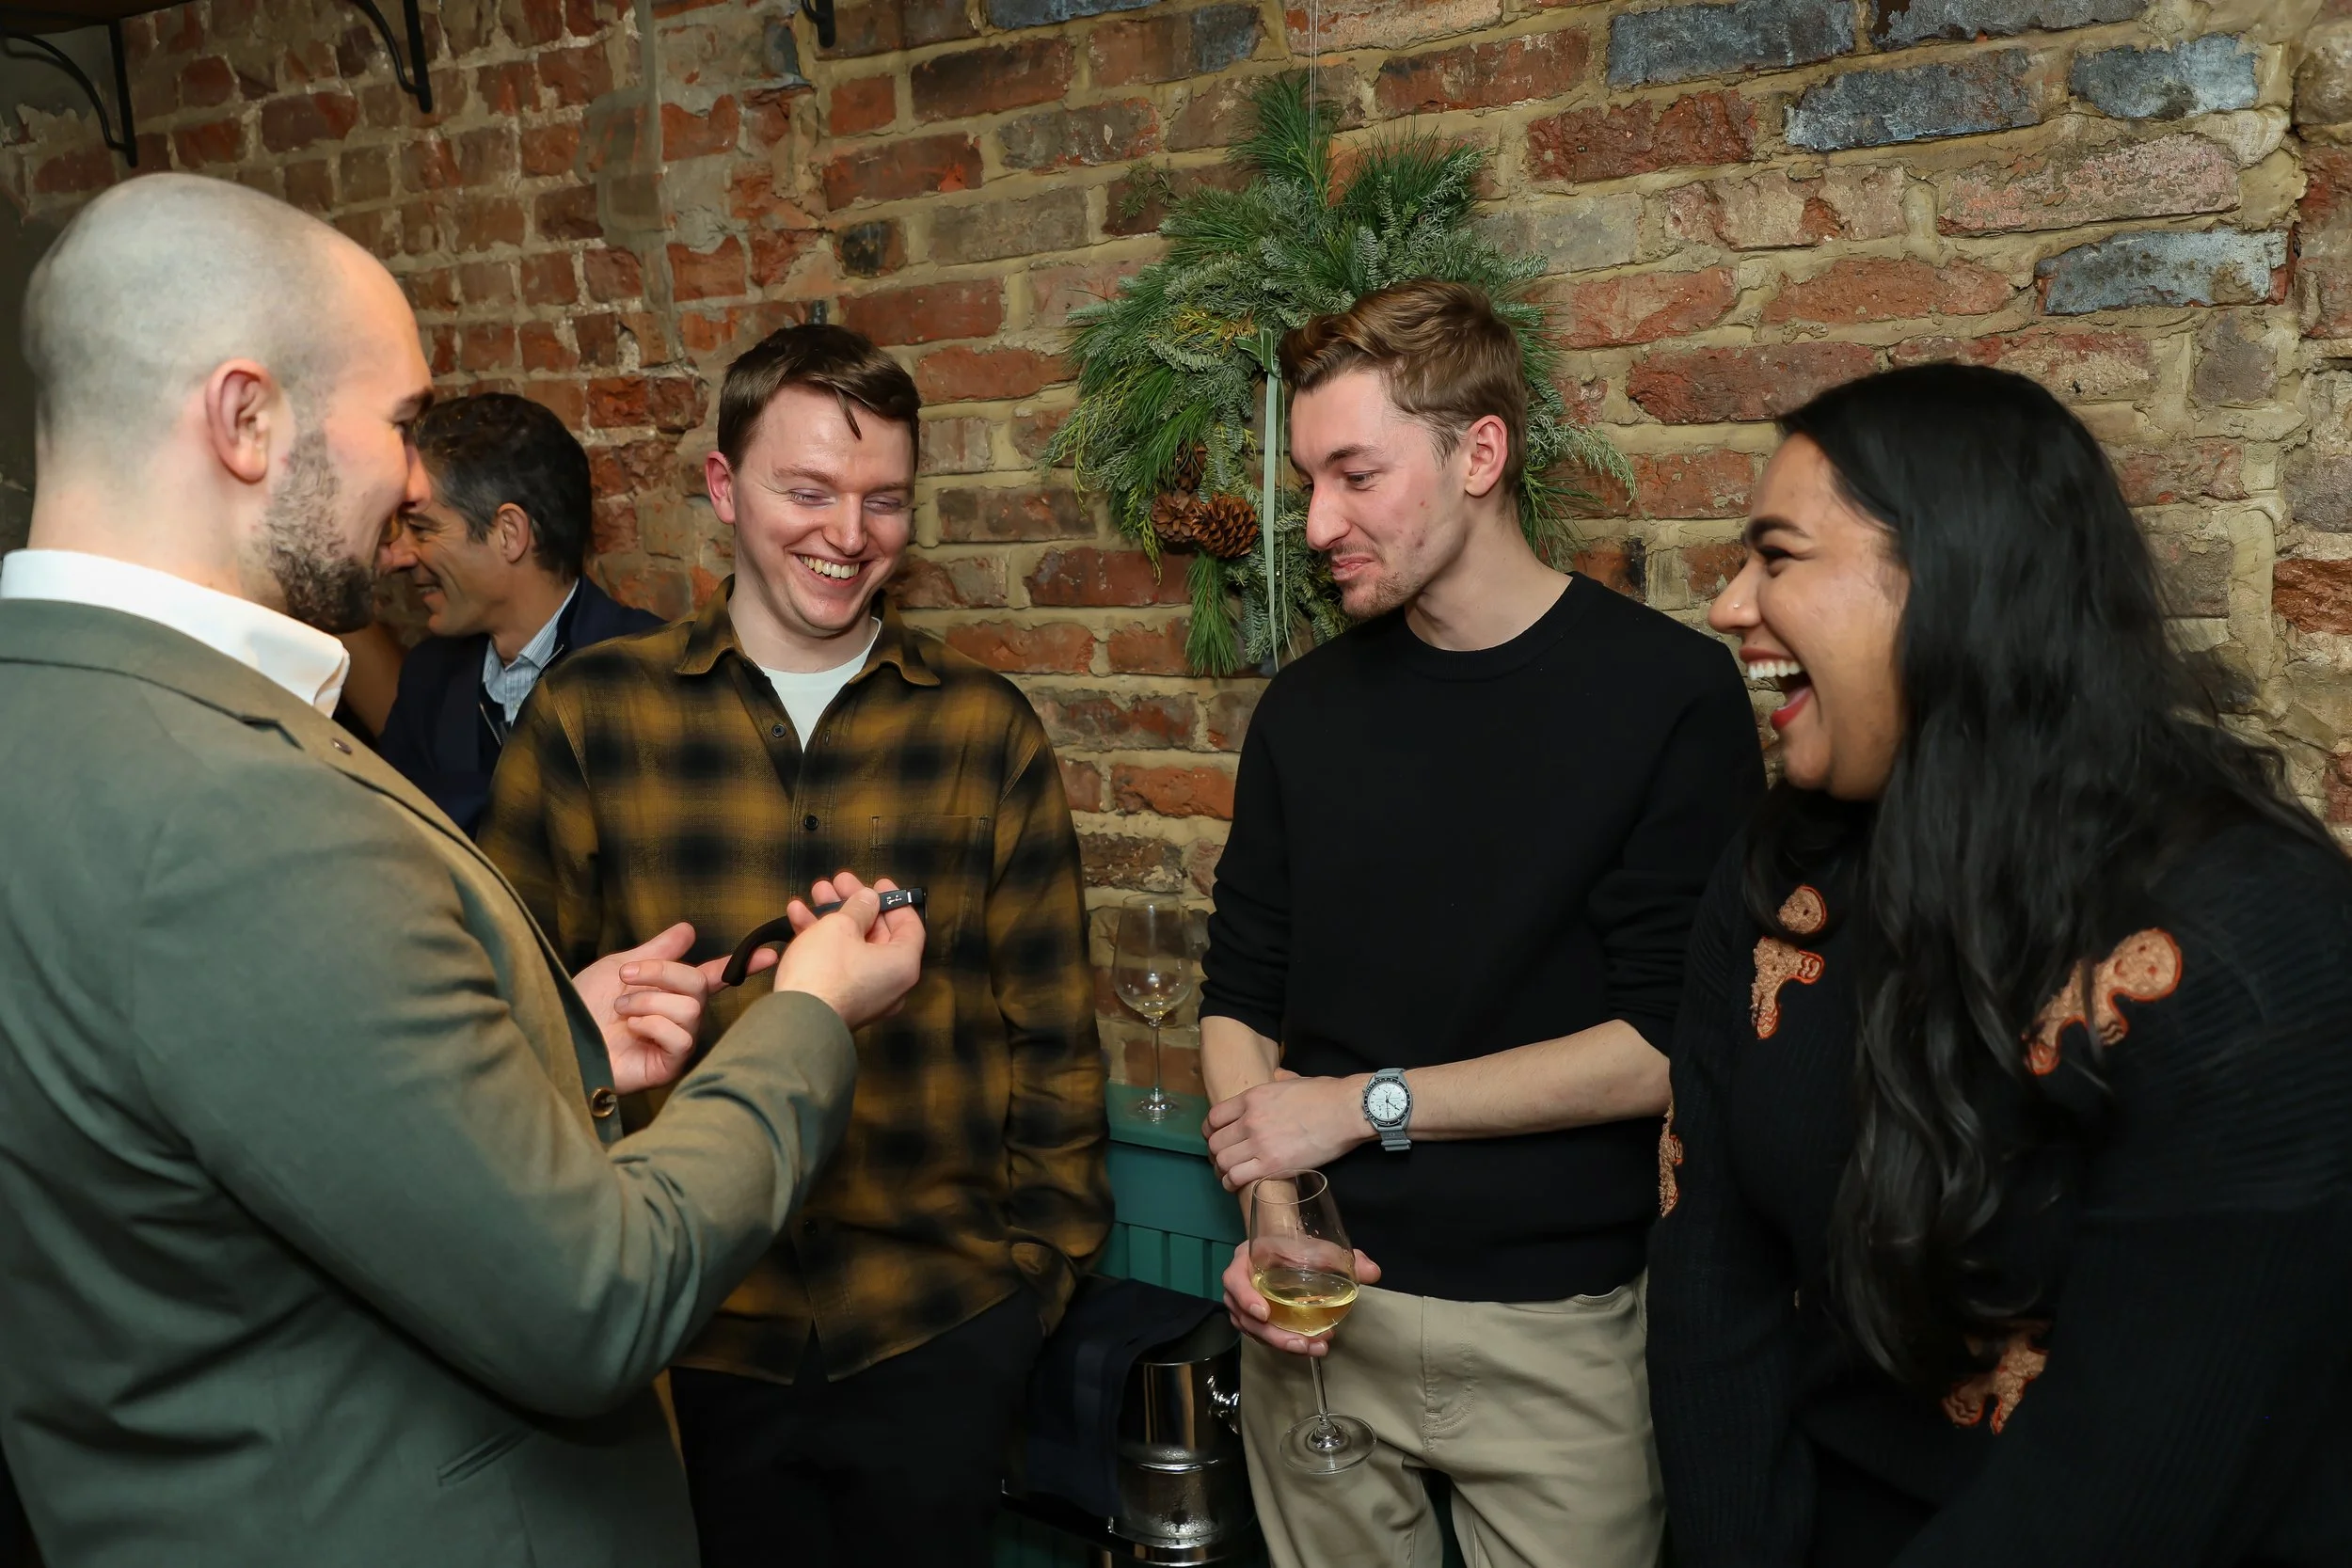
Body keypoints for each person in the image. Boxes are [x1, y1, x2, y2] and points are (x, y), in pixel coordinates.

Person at [0, 172, 925, 1568]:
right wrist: (806, 1009)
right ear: (245, 419)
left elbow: (254, 1104)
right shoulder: (237, 801)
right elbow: (593, 1297)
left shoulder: (54, 711)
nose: (418, 481)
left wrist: (555, 1044)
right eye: (402, 421)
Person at [1647, 363, 2352, 1567]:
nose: (1728, 605)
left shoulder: (2247, 936)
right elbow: (1711, 1274)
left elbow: (2140, 1478)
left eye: (1777, 555)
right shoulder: (1781, 871)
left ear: (1952, 582)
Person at [478, 322, 1108, 1568]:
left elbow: (1053, 1036)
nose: (848, 531)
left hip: (932, 1327)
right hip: (688, 1335)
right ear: (723, 488)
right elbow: (493, 1019)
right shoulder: (592, 715)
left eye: (885, 500)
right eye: (807, 490)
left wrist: (1026, 1287)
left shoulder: (984, 730)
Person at [1197, 280, 1764, 1568]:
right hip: (1321, 1327)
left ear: (1480, 453)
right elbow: (1242, 987)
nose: (1316, 521)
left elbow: (1667, 1039)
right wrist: (1272, 1219)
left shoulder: (1667, 694)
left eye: (1355, 473)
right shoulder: (1305, 710)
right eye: (1306, 480)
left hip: (1557, 1330)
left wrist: (1363, 1103)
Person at [374, 392, 661, 833]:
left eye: (421, 529)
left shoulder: (657, 679)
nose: (397, 556)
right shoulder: (427, 679)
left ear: (509, 534)